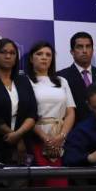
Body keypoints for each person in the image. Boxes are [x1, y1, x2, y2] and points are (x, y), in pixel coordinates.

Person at [24, 41, 76, 183]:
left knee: (61, 183)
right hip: (36, 139)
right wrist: (46, 138)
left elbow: (70, 112)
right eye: (39, 54)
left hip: (62, 140)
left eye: (48, 55)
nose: (44, 57)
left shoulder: (62, 81)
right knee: (42, 184)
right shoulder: (24, 81)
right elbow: (24, 114)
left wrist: (61, 136)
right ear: (31, 58)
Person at [57, 31, 96, 121]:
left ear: (92, 50)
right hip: (76, 127)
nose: (84, 51)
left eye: (88, 46)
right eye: (80, 47)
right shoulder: (61, 77)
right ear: (72, 52)